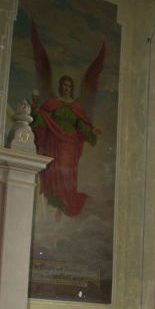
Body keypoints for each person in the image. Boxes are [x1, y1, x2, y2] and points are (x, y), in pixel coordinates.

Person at [32, 75, 100, 217]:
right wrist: (37, 113)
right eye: (64, 85)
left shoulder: (75, 106)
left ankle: (65, 202)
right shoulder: (53, 102)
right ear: (60, 86)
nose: (66, 88)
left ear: (72, 88)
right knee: (54, 170)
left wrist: (91, 131)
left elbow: (82, 125)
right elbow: (43, 119)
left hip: (70, 144)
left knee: (67, 172)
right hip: (54, 142)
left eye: (69, 86)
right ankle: (56, 201)